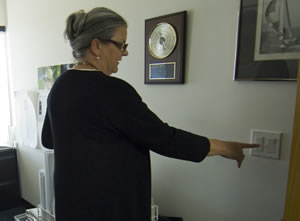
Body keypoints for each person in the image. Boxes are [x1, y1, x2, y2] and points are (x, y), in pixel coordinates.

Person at [41, 7, 259, 221]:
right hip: (109, 208)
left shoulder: (60, 86)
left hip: (71, 204)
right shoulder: (113, 91)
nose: (125, 52)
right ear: (97, 46)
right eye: (120, 45)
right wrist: (225, 147)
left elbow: (49, 140)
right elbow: (164, 139)